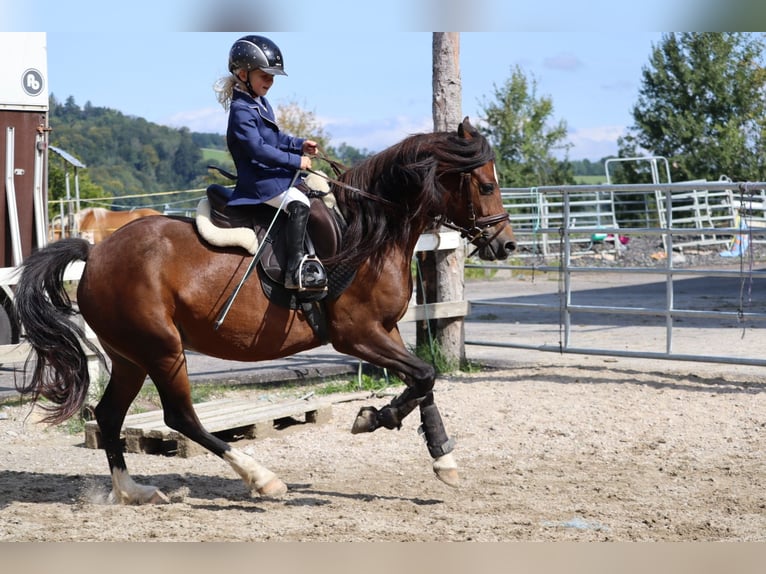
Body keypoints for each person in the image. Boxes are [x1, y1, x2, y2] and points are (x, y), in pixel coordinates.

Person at [215, 34, 326, 291]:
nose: (271, 81)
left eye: (273, 76)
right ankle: (294, 269)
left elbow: (275, 137)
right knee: (299, 204)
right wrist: (295, 160)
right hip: (258, 182)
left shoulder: (260, 103)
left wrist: (299, 144)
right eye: (265, 75)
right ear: (243, 74)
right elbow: (258, 150)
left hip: (272, 175)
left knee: (318, 191)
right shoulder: (241, 111)